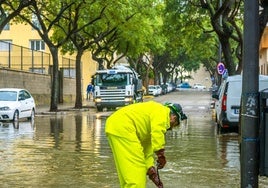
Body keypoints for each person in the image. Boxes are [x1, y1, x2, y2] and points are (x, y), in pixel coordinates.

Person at [105, 101, 187, 188]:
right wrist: (161, 154)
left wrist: (151, 171)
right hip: (124, 128)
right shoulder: (162, 112)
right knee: (137, 175)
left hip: (116, 126)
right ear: (173, 118)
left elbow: (146, 150)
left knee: (128, 175)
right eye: (175, 125)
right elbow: (158, 132)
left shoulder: (150, 121)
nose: (172, 127)